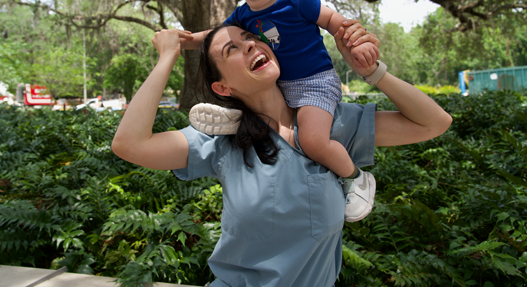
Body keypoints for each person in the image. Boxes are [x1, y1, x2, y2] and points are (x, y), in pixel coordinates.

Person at [112, 25, 452, 287]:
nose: (250, 44)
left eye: (250, 37)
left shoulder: (331, 124)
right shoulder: (219, 140)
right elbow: (130, 144)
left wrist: (371, 71)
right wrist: (167, 56)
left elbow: (433, 123)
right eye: (232, 48)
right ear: (223, 88)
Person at [181, 0, 380, 221]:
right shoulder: (242, 15)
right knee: (255, 103)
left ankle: (355, 177)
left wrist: (358, 44)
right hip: (281, 87)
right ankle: (241, 121)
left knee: (312, 140)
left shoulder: (297, 0)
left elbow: (336, 23)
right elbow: (218, 34)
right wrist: (188, 39)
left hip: (315, 83)